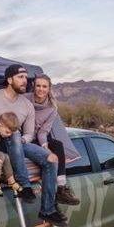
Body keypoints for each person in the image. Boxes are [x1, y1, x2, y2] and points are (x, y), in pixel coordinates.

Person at [0, 64, 66, 227]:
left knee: (52, 159)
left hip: (17, 143)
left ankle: (48, 210)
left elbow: (29, 134)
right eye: (20, 77)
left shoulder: (26, 105)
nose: (25, 81)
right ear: (10, 80)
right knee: (14, 133)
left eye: (25, 77)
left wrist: (21, 140)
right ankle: (25, 185)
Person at [25, 74, 80, 206]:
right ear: (34, 86)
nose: (41, 89)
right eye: (38, 85)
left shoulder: (51, 108)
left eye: (44, 86)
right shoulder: (24, 99)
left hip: (39, 136)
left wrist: (45, 146)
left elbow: (43, 132)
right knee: (46, 158)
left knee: (58, 145)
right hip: (25, 136)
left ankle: (61, 189)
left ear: (49, 89)